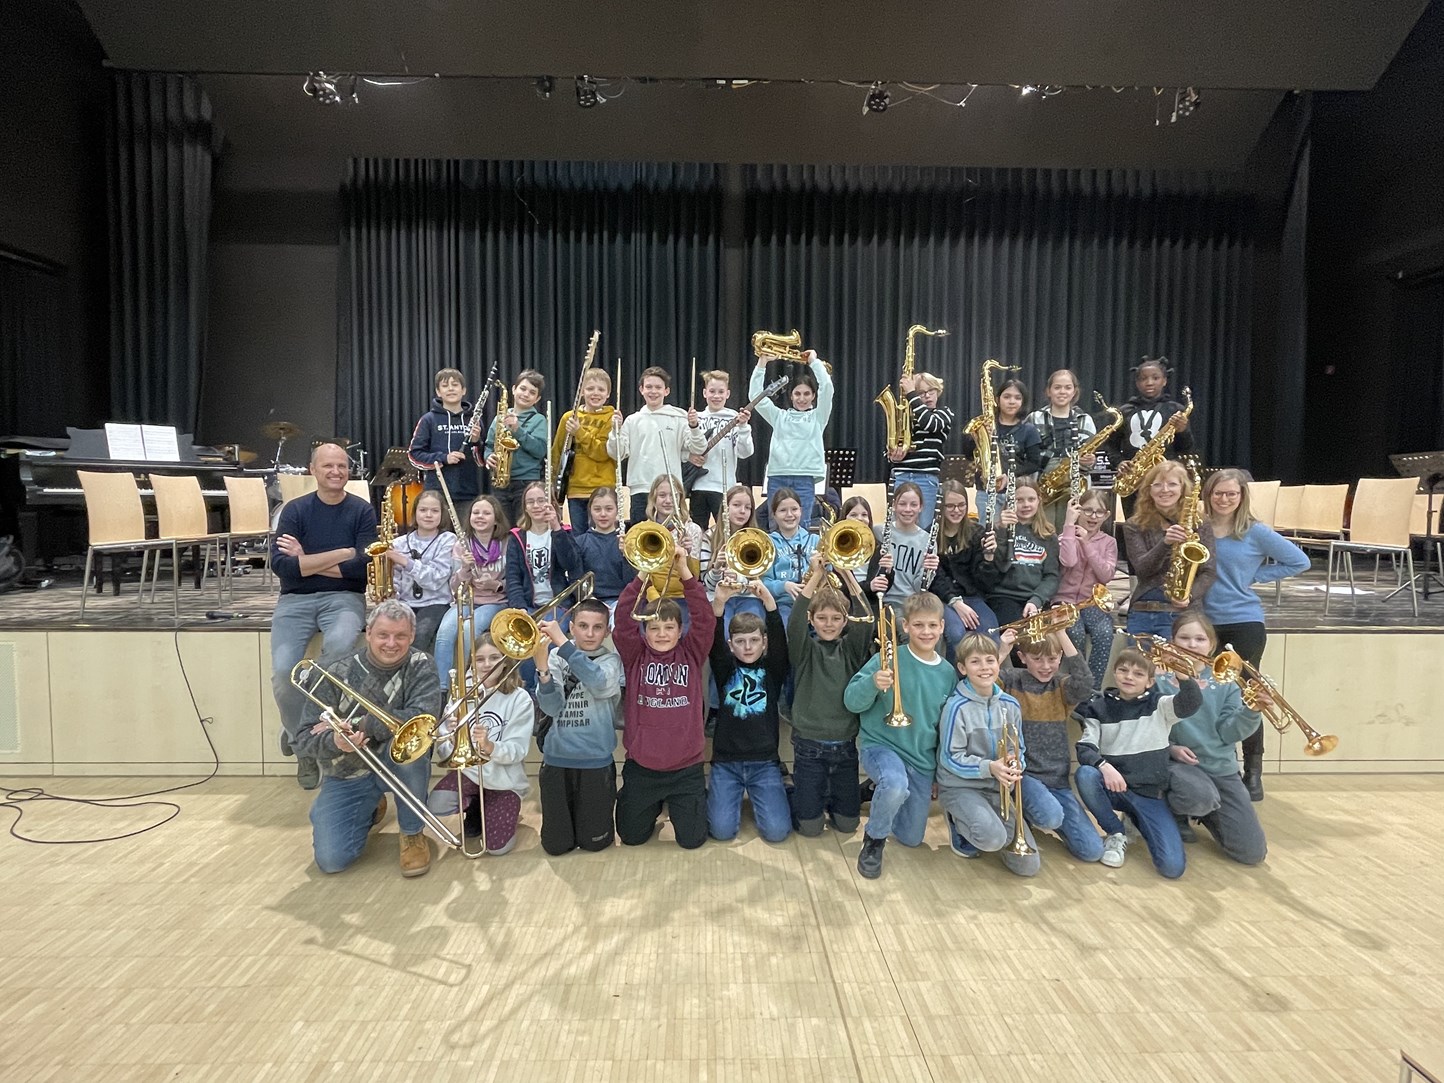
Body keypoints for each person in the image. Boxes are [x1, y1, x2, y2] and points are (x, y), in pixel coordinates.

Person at [292, 599, 443, 877]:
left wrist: (360, 724)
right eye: (383, 635)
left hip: (397, 763)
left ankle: (412, 832)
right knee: (332, 861)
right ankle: (370, 808)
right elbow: (302, 739)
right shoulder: (332, 669)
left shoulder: (421, 664)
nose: (391, 643)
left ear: (411, 636)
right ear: (369, 633)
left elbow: (422, 718)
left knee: (414, 748)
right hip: (348, 770)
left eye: (400, 636)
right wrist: (334, 742)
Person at [270, 442, 377, 790]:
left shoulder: (362, 511)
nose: (336, 471)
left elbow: (361, 570)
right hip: (294, 602)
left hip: (344, 599)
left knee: (337, 655)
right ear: (313, 470)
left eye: (342, 466)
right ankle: (301, 742)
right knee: (284, 673)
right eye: (328, 466)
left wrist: (307, 559)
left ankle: (317, 735)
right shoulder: (295, 511)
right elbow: (282, 567)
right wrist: (341, 554)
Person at [1199, 468, 1309, 801]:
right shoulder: (1199, 528)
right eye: (1218, 493)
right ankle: (1215, 763)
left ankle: (1253, 772)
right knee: (1210, 693)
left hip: (1242, 621)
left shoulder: (1254, 531)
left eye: (1232, 493)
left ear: (1242, 496)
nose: (1224, 499)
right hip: (1202, 623)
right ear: (1208, 495)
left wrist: (1254, 577)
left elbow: (1298, 561)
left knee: (1248, 695)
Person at [846, 592, 956, 879]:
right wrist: (872, 683)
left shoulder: (947, 673)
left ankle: (874, 790)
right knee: (895, 784)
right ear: (905, 626)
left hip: (920, 759)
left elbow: (944, 729)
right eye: (919, 625)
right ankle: (874, 840)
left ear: (943, 627)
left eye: (933, 625)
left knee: (911, 838)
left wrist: (936, 774)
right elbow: (851, 702)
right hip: (881, 746)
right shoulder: (887, 658)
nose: (926, 632)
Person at [612, 548, 715, 848]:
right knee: (631, 837)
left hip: (686, 768)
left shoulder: (692, 652)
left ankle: (675, 804)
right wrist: (645, 571)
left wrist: (684, 571)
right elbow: (622, 617)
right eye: (654, 628)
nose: (661, 634)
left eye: (669, 627)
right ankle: (653, 805)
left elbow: (705, 619)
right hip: (643, 767)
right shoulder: (635, 655)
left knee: (693, 841)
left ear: (680, 630)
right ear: (644, 631)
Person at [1073, 645, 1203, 877]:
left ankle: (1138, 820)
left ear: (1150, 681)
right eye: (1123, 670)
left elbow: (1191, 702)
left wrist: (1181, 672)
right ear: (1115, 673)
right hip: (1115, 787)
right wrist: (1104, 766)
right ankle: (1116, 832)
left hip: (1149, 793)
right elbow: (1085, 747)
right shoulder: (1098, 707)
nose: (1129, 677)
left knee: (1172, 868)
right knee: (1085, 774)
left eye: (1138, 674)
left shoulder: (1160, 705)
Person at [1161, 613, 1269, 864]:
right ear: (1172, 640)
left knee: (1251, 853)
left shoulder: (1226, 682)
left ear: (1212, 644)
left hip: (1220, 769)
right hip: (1177, 765)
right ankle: (1177, 809)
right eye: (1184, 638)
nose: (1191, 644)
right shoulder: (1159, 680)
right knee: (1200, 796)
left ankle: (1207, 811)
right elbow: (1146, 729)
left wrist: (1252, 712)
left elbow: (1229, 732)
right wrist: (1171, 748)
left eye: (1200, 639)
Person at [935, 632, 1043, 876]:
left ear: (998, 663)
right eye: (975, 662)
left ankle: (991, 825)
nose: (984, 668)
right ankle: (957, 819)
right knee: (992, 839)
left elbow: (1019, 748)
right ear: (962, 668)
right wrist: (989, 767)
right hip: (960, 787)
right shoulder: (957, 707)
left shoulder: (1011, 705)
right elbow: (950, 757)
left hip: (996, 788)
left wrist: (1016, 764)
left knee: (1028, 867)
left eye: (990, 661)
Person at [788, 557, 876, 837]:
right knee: (810, 829)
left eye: (836, 618)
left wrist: (847, 575)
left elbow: (866, 618)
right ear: (812, 619)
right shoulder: (805, 651)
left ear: (844, 621)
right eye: (822, 618)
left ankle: (824, 795)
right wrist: (816, 575)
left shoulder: (850, 649)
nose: (829, 624)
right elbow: (794, 624)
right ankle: (793, 790)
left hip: (845, 749)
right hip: (808, 747)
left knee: (848, 825)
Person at [997, 630, 1102, 863]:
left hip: (1057, 781)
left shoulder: (1062, 686)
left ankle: (1036, 812)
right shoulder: (1012, 679)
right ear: (1022, 657)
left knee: (1092, 851)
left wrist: (1061, 633)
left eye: (1053, 659)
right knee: (1050, 816)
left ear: (1060, 657)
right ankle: (1021, 811)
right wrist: (1002, 649)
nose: (1046, 666)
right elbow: (982, 680)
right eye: (1037, 659)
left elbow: (1085, 682)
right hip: (1023, 777)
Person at [427, 632, 535, 855]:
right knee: (437, 804)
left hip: (504, 780)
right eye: (480, 659)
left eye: (494, 658)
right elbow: (444, 749)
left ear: (506, 661)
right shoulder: (461, 693)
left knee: (497, 849)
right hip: (470, 774)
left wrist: (489, 747)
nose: (487, 665)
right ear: (472, 663)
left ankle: (498, 804)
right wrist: (452, 734)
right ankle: (476, 805)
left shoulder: (519, 698)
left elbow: (518, 751)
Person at [534, 600, 624, 855]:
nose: (589, 633)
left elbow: (597, 682)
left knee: (595, 843)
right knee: (556, 846)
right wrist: (542, 669)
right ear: (572, 627)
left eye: (598, 628)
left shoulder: (611, 661)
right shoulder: (554, 657)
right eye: (583, 626)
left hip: (595, 763)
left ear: (607, 632)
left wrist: (562, 643)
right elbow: (551, 708)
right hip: (556, 761)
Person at [706, 581, 791, 843]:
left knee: (777, 833)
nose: (747, 647)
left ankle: (782, 787)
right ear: (731, 645)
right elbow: (714, 640)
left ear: (763, 643)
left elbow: (778, 641)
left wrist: (769, 602)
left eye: (754, 641)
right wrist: (719, 604)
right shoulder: (725, 668)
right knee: (721, 832)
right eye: (740, 642)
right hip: (725, 764)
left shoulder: (772, 670)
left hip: (764, 763)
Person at [1121, 460, 1217, 639]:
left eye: (1172, 484)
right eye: (1157, 484)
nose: (1165, 490)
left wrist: (1188, 595)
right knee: (1140, 666)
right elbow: (1142, 571)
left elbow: (1209, 572)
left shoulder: (1200, 523)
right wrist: (1165, 543)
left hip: (1184, 612)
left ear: (1183, 489)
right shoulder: (1133, 525)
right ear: (1148, 490)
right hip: (1145, 611)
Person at [607, 366, 706, 524]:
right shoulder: (633, 420)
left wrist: (694, 426)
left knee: (670, 538)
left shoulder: (679, 417)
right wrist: (615, 430)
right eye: (649, 387)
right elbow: (617, 453)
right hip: (641, 489)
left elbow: (698, 448)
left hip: (669, 492)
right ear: (641, 390)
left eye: (658, 387)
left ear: (666, 391)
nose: (653, 391)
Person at [433, 495, 509, 689]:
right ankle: (441, 689)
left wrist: (496, 585)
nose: (480, 517)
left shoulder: (507, 543)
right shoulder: (461, 545)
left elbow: (516, 580)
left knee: (468, 631)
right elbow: (454, 586)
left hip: (494, 601)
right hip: (466, 600)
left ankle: (468, 683)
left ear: (496, 518)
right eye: (476, 513)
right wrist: (465, 569)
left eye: (486, 513)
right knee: (444, 634)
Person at [751, 348, 833, 527]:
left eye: (806, 394)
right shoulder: (779, 416)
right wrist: (762, 363)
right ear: (791, 396)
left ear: (813, 396)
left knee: (801, 527)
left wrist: (814, 362)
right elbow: (755, 397)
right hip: (777, 477)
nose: (802, 398)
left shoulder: (818, 417)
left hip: (805, 479)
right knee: (776, 527)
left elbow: (827, 387)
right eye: (797, 393)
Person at [929, 482, 1000, 658]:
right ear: (941, 507)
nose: (957, 510)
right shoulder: (930, 534)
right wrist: (955, 602)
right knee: (956, 634)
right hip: (944, 599)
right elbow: (936, 578)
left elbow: (985, 583)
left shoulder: (977, 532)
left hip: (972, 597)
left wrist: (989, 557)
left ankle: (982, 680)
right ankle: (956, 680)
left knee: (991, 634)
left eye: (961, 505)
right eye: (950, 506)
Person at [1056, 488, 1118, 688]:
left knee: (1104, 632)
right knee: (1075, 633)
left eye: (1099, 512)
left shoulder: (1109, 542)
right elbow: (1068, 560)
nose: (1093, 516)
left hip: (1091, 602)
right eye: (1087, 510)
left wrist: (1087, 545)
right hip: (1063, 602)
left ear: (1106, 515)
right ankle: (1079, 684)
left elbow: (1106, 575)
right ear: (1078, 511)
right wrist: (1069, 525)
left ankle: (1093, 689)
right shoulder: (1064, 537)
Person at [978, 479, 1060, 630]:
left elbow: (1051, 576)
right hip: (1004, 597)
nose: (1026, 505)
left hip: (1035, 597)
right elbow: (998, 568)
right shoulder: (996, 531)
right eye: (1019, 500)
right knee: (1021, 635)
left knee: (1047, 641)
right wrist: (1002, 531)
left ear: (1039, 501)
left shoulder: (1049, 536)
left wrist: (1036, 600)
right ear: (1010, 502)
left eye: (1031, 499)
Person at [384, 489, 457, 653]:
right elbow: (394, 577)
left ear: (442, 514)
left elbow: (436, 579)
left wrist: (406, 562)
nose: (428, 515)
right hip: (404, 603)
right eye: (423, 510)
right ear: (415, 512)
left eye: (434, 511)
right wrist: (391, 594)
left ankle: (413, 675)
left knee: (420, 634)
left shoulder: (448, 540)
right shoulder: (399, 543)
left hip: (436, 603)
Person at [1027, 368, 1098, 531]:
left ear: (1075, 392)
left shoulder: (1085, 420)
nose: (1062, 392)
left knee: (1070, 531)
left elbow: (1089, 463)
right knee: (1044, 530)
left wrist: (1089, 461)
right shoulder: (1034, 418)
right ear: (1048, 391)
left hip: (1073, 483)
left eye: (1068, 387)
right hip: (1043, 481)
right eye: (1057, 387)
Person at [886, 371, 958, 530]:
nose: (927, 396)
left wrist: (911, 394)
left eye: (931, 391)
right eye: (921, 393)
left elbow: (930, 424)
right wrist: (892, 455)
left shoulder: (944, 413)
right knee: (896, 528)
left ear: (938, 391)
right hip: (901, 475)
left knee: (925, 528)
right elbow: (892, 442)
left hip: (926, 478)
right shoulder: (905, 417)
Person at [552, 366, 618, 533]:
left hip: (602, 490)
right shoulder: (569, 417)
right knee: (579, 539)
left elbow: (603, 452)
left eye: (601, 389)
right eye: (590, 388)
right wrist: (554, 484)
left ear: (608, 394)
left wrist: (579, 432)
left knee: (602, 536)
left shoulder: (612, 418)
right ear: (581, 392)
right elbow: (557, 452)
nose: (595, 393)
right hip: (575, 490)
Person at [688, 369, 754, 532]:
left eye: (720, 392)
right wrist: (690, 457)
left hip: (725, 488)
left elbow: (746, 452)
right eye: (712, 391)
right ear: (704, 393)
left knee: (726, 532)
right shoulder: (696, 419)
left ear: (728, 394)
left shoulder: (736, 418)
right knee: (697, 532)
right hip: (698, 486)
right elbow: (683, 448)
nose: (716, 396)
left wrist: (744, 427)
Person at [505, 481, 584, 614]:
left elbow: (571, 565)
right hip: (527, 606)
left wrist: (557, 529)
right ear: (525, 507)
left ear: (551, 504)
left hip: (558, 605)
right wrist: (520, 608)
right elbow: (513, 578)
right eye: (530, 502)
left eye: (541, 500)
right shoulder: (516, 537)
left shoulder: (564, 533)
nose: (536, 505)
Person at [408, 367, 483, 502]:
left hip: (468, 493)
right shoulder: (428, 420)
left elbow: (482, 461)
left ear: (463, 390)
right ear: (438, 392)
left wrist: (476, 442)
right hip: (436, 493)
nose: (450, 389)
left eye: (455, 385)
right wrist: (443, 458)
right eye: (445, 386)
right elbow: (414, 455)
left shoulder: (474, 420)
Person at [1109, 356, 1195, 476]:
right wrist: (1119, 462)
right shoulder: (1124, 411)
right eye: (1143, 379)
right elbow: (1110, 446)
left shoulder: (1175, 410)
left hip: (1166, 474)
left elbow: (1186, 449)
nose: (1149, 383)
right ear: (1137, 383)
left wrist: (1183, 431)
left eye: (1155, 378)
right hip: (1132, 475)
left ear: (1164, 381)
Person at [483, 368, 549, 524]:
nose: (526, 394)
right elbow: (489, 446)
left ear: (537, 399)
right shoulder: (499, 418)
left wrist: (517, 430)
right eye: (523, 389)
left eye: (532, 392)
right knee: (501, 530)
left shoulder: (539, 420)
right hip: (500, 484)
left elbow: (540, 450)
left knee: (524, 529)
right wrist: (488, 456)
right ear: (514, 389)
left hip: (526, 484)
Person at [978, 378, 1044, 526]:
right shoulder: (985, 424)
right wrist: (983, 435)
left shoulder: (1029, 430)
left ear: (1023, 402)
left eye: (1017, 398)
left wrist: (1010, 476)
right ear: (996, 399)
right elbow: (969, 453)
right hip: (986, 492)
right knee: (986, 535)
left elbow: (1034, 464)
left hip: (1015, 493)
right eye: (1006, 397)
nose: (1012, 401)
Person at [701, 484, 766, 632]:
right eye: (736, 505)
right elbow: (707, 585)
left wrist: (738, 580)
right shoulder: (709, 537)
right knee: (723, 633)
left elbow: (757, 583)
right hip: (717, 597)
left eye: (748, 507)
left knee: (752, 631)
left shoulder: (757, 539)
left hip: (749, 597)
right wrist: (717, 567)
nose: (742, 511)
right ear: (725, 507)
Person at [868, 482, 936, 620]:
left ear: (921, 507)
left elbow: (919, 588)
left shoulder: (928, 540)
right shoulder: (878, 532)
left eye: (914, 505)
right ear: (893, 506)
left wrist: (928, 571)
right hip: (884, 601)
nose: (907, 509)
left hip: (913, 603)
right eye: (902, 504)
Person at [760, 487, 820, 631]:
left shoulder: (815, 540)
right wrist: (784, 586)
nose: (789, 515)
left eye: (794, 509)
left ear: (801, 511)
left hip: (815, 603)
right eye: (782, 510)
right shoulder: (768, 543)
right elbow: (764, 582)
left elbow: (828, 577)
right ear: (773, 514)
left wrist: (820, 568)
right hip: (784, 604)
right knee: (789, 632)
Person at [573, 487, 629, 615]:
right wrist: (590, 599)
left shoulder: (627, 542)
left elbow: (631, 582)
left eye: (609, 509)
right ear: (590, 511)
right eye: (597, 509)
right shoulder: (580, 542)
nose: (603, 514)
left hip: (621, 601)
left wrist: (626, 555)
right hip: (591, 602)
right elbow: (577, 580)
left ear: (617, 510)